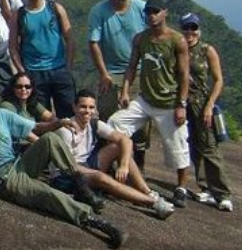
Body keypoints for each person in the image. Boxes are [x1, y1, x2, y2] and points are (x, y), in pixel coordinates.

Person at [0, 81, 128, 249]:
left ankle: (80, 184)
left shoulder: (2, 115)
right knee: (49, 194)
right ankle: (97, 223)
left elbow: (35, 127)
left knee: (50, 138)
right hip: (4, 178)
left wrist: (58, 123)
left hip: (19, 163)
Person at [110, 0, 194, 208]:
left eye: (156, 11)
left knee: (178, 146)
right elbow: (131, 66)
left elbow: (184, 74)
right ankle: (119, 167)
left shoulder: (177, 40)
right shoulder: (141, 39)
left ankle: (181, 187)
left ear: (165, 12)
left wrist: (181, 104)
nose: (151, 15)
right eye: (148, 12)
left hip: (168, 102)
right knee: (114, 124)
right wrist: (125, 91)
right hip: (145, 100)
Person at [50, 90, 176, 219]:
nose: (87, 111)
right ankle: (153, 203)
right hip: (66, 176)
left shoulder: (94, 124)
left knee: (117, 147)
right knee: (101, 177)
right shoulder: (65, 131)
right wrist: (96, 173)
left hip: (87, 164)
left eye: (91, 107)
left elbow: (125, 140)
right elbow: (70, 166)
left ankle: (148, 193)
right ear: (74, 107)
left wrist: (124, 165)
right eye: (83, 107)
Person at [180, 12, 234, 211]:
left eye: (193, 28)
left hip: (202, 103)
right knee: (193, 146)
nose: (190, 32)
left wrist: (210, 105)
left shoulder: (206, 50)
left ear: (199, 30)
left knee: (209, 148)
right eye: (186, 28)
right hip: (182, 103)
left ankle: (223, 194)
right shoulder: (178, 48)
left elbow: (218, 80)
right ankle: (205, 187)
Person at [9, 0, 76, 117]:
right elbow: (13, 47)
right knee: (42, 117)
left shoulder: (55, 8)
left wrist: (68, 67)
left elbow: (70, 39)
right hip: (34, 73)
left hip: (59, 69)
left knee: (69, 114)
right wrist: (22, 71)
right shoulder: (19, 15)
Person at [88, 0, 147, 122]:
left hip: (139, 70)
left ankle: (137, 146)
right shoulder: (99, 11)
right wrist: (103, 73)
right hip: (111, 71)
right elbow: (94, 42)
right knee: (108, 116)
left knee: (140, 116)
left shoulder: (141, 8)